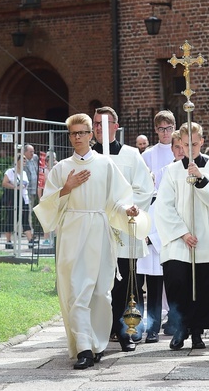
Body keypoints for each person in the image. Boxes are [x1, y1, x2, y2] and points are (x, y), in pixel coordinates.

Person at [33, 113, 145, 370]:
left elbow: (117, 199)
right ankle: (83, 347)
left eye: (83, 132)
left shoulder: (105, 165)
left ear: (91, 134)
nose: (78, 137)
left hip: (100, 231)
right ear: (70, 136)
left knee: (100, 293)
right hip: (73, 233)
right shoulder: (62, 168)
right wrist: (67, 187)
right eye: (74, 133)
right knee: (77, 291)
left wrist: (127, 210)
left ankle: (96, 344)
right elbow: (47, 207)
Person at [156, 123, 209, 351]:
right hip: (179, 237)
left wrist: (202, 179)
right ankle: (181, 326)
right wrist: (182, 233)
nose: (190, 149)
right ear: (179, 145)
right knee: (177, 281)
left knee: (203, 286)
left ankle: (196, 331)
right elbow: (164, 206)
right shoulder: (172, 171)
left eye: (194, 144)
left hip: (208, 236)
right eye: (185, 145)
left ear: (202, 142)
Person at [91, 107, 154, 353]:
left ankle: (126, 330)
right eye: (95, 124)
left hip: (125, 229)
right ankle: (99, 331)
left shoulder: (130, 155)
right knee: (99, 282)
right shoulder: (88, 156)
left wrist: (125, 209)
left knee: (127, 284)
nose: (98, 128)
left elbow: (144, 189)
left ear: (116, 126)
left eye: (104, 124)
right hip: (97, 229)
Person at [138, 109, 176, 343]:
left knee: (166, 277)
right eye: (161, 128)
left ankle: (171, 320)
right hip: (150, 213)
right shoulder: (148, 155)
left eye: (168, 128)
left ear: (174, 127)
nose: (165, 132)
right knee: (147, 277)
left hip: (168, 214)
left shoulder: (178, 151)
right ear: (155, 130)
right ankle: (147, 326)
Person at [1, 157, 32, 249]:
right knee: (10, 220)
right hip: (13, 200)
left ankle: (30, 241)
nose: (24, 161)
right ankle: (8, 241)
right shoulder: (10, 172)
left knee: (25, 219)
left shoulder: (24, 173)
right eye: (22, 159)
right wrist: (15, 187)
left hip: (24, 199)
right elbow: (4, 183)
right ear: (17, 161)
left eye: (25, 160)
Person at [23, 144, 41, 246]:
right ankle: (30, 234)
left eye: (33, 151)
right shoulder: (22, 161)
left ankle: (28, 231)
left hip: (35, 190)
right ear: (25, 152)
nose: (33, 153)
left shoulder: (35, 158)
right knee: (28, 213)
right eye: (31, 152)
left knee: (33, 212)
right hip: (27, 191)